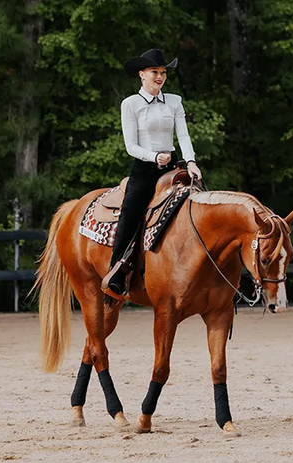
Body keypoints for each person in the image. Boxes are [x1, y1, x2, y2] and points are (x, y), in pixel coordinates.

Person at [102, 48, 203, 299]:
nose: (160, 77)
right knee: (131, 211)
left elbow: (183, 134)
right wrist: (154, 156)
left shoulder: (175, 101)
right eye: (154, 72)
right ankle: (117, 271)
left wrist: (190, 161)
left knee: (202, 201)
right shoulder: (131, 104)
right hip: (145, 169)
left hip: (172, 168)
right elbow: (130, 146)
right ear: (142, 75)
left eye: (163, 72)